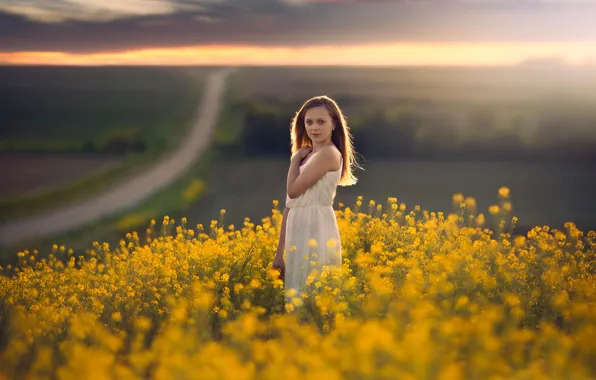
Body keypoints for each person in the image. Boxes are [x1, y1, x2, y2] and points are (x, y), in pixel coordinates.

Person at [273, 95, 359, 306]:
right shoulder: (311, 155)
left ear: (334, 124)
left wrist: (294, 161)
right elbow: (290, 206)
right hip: (299, 227)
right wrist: (279, 253)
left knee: (314, 298)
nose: (314, 128)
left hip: (316, 227)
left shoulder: (328, 154)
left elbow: (293, 191)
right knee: (298, 297)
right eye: (309, 122)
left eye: (321, 122)